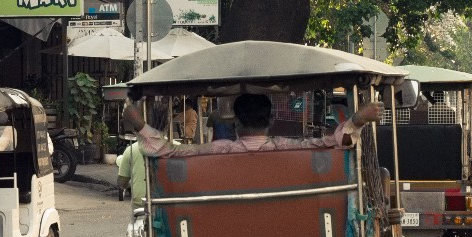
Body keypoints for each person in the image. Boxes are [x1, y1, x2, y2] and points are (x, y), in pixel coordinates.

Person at [125, 90, 382, 158]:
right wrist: (356, 120)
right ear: (271, 120)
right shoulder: (289, 148)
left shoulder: (218, 150)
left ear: (235, 122)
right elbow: (336, 144)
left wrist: (139, 125)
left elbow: (168, 151)